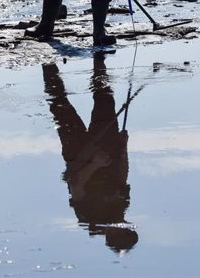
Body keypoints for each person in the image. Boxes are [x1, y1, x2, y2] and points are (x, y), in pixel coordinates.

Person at [43, 53, 138, 253]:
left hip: (78, 155)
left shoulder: (88, 219)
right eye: (127, 230)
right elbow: (122, 176)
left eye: (121, 234)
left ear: (110, 237)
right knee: (105, 99)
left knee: (60, 106)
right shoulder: (122, 206)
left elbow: (75, 184)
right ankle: (99, 59)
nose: (124, 227)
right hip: (108, 149)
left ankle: (47, 62)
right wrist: (123, 147)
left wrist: (95, 163)